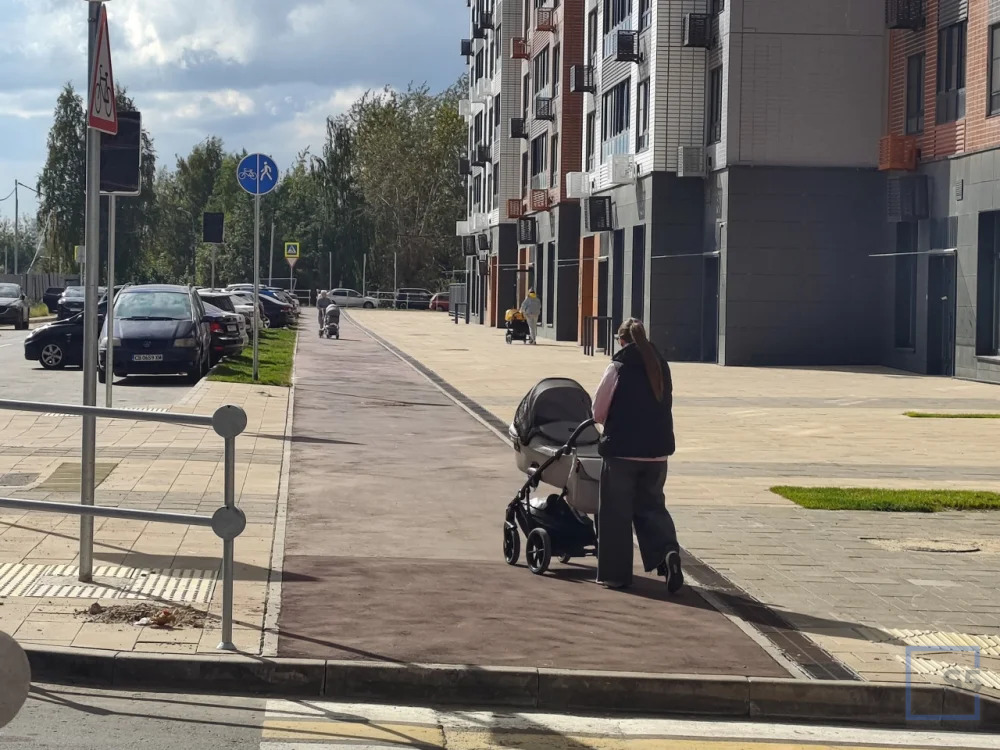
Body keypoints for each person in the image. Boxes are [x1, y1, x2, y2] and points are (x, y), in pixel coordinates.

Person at [592, 318, 682, 593]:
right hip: (657, 454)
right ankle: (667, 552)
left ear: (621, 340)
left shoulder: (618, 366)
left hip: (622, 453)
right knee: (652, 507)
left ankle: (616, 575)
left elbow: (597, 411)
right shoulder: (660, 365)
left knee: (616, 513)